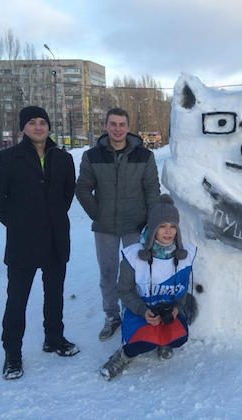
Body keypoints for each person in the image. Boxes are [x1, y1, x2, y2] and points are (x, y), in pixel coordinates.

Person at [0, 106, 79, 380]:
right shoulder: (6, 159)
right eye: (32, 122)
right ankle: (12, 354)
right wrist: (16, 222)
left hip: (55, 239)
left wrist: (53, 218)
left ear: (49, 126)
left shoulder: (62, 158)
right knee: (17, 299)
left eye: (42, 122)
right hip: (22, 242)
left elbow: (66, 194)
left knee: (55, 293)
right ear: (22, 128)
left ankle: (54, 338)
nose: (38, 127)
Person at [76, 108, 160, 340]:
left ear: (128, 127)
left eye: (122, 124)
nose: (117, 129)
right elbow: (83, 187)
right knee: (108, 273)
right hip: (106, 228)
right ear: (106, 126)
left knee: (137, 273)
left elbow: (152, 190)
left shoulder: (144, 156)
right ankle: (112, 316)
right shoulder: (92, 155)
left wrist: (151, 223)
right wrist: (97, 213)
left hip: (136, 225)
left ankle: (139, 316)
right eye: (113, 124)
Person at [100, 194, 196, 380]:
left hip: (167, 311)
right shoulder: (134, 256)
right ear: (153, 228)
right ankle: (124, 355)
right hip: (142, 311)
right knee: (142, 343)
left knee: (180, 337)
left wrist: (176, 309)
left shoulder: (184, 256)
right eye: (162, 226)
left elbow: (182, 291)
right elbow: (124, 291)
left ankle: (164, 340)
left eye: (172, 227)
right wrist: (143, 311)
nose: (168, 232)